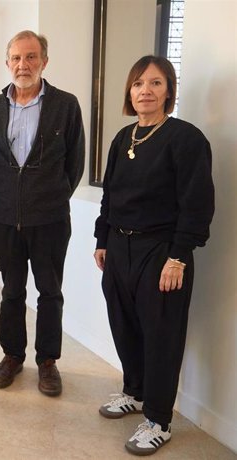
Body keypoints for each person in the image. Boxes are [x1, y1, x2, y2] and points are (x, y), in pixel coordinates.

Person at [94, 55, 214, 456]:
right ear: (130, 91)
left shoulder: (186, 139)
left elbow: (196, 204)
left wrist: (178, 256)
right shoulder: (122, 137)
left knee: (162, 334)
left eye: (156, 83)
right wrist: (102, 240)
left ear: (169, 91)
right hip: (119, 246)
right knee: (124, 323)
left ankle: (159, 420)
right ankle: (135, 390)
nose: (146, 90)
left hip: (162, 250)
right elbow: (109, 195)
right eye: (139, 83)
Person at [0, 30, 85, 396]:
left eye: (30, 57)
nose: (22, 65)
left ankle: (47, 362)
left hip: (50, 220)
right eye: (16, 58)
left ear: (44, 61)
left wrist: (51, 198)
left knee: (49, 292)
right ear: (7, 62)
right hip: (7, 220)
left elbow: (74, 164)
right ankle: (12, 356)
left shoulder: (66, 104)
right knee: (11, 291)